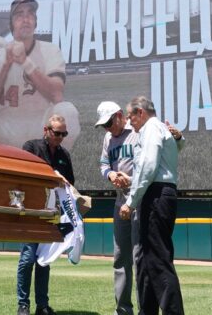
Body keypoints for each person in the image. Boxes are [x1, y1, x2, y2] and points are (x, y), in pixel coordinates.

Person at [0, 0, 80, 150]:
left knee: (67, 111)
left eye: (30, 13)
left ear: (35, 21)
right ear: (11, 23)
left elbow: (57, 95)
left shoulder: (50, 50)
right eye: (19, 14)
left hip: (42, 126)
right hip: (7, 128)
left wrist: (25, 62)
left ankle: (56, 162)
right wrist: (7, 64)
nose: (26, 18)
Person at [119, 96, 185, 315]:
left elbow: (148, 167)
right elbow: (154, 166)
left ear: (140, 112)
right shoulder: (158, 129)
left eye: (130, 117)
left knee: (158, 261)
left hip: (155, 196)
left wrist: (130, 201)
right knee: (147, 261)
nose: (129, 122)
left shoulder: (150, 128)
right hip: (158, 194)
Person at [17, 114, 74, 315]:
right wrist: (52, 175)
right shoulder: (31, 147)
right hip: (32, 212)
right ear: (46, 130)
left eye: (63, 134)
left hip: (52, 214)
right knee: (27, 258)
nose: (60, 137)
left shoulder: (64, 155)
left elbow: (71, 184)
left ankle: (42, 305)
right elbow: (25, 172)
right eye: (57, 133)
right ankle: (23, 304)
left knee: (44, 260)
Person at [95, 101, 140, 315]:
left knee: (140, 257)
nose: (108, 128)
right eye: (104, 125)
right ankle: (123, 310)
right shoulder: (108, 138)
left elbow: (149, 166)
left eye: (109, 122)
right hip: (120, 202)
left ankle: (145, 309)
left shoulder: (137, 132)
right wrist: (111, 174)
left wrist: (129, 179)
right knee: (120, 257)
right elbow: (103, 164)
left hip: (139, 201)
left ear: (120, 115)